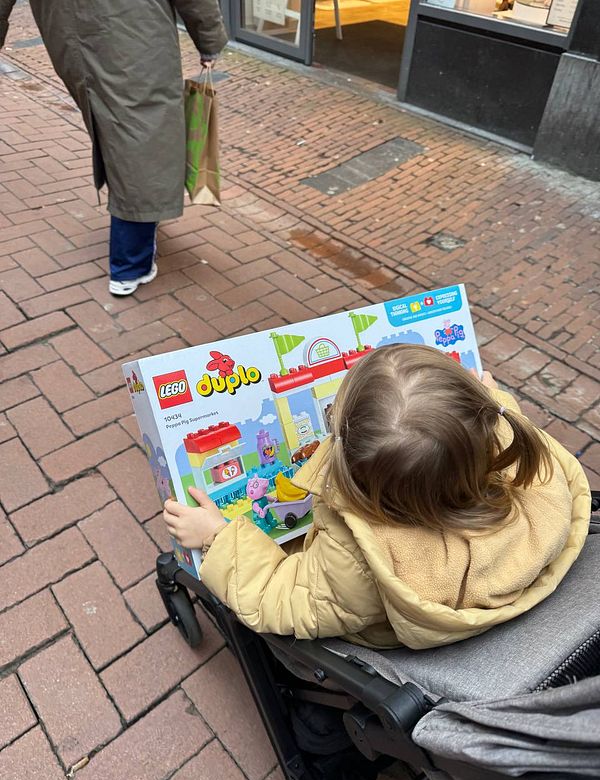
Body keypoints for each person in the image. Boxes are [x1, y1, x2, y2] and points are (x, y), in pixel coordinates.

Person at [163, 344, 591, 649]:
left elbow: (279, 597)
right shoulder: (522, 462)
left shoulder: (359, 556)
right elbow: (491, 426)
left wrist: (218, 537)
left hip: (378, 620)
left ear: (360, 479)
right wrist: (491, 401)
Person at [0, 0, 227, 296]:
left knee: (118, 130)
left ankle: (142, 223)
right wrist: (208, 39)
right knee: (141, 140)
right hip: (136, 37)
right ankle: (130, 263)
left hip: (70, 40)